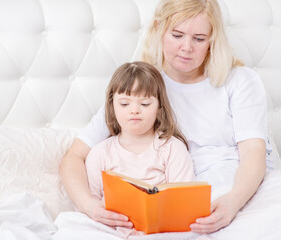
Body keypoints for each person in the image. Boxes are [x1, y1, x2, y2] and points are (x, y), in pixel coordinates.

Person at [60, 0, 270, 234]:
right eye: (177, 35)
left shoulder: (240, 80)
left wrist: (233, 202)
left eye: (199, 39)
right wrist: (89, 205)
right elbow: (74, 157)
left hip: (237, 189)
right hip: (173, 196)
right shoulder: (144, 89)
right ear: (159, 29)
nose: (186, 47)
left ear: (212, 40)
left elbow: (253, 152)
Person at [85, 62, 196, 227]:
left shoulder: (172, 148)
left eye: (144, 104)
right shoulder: (100, 152)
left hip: (160, 226)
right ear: (112, 106)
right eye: (124, 104)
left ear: (159, 107)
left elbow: (184, 199)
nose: (134, 110)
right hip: (112, 227)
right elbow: (92, 201)